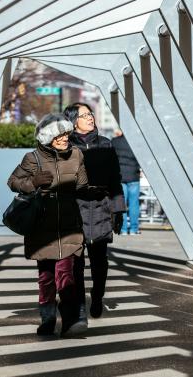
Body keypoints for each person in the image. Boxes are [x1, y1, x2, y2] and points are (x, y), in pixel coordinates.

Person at [7, 113, 88, 337]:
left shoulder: (77, 155)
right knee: (46, 277)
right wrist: (32, 183)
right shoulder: (32, 158)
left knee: (66, 274)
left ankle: (70, 320)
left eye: (66, 133)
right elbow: (12, 182)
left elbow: (82, 185)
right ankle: (48, 319)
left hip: (70, 225)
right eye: (59, 135)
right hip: (42, 227)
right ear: (47, 138)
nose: (65, 138)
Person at [63, 103, 125, 321]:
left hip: (101, 210)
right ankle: (80, 304)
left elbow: (115, 180)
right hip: (75, 211)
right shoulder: (66, 146)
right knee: (76, 264)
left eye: (90, 114)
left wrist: (118, 210)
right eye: (84, 115)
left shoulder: (106, 144)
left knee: (100, 262)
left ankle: (97, 296)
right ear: (73, 121)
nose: (90, 118)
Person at [111, 130, 141, 235]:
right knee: (134, 204)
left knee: (121, 204)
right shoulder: (136, 142)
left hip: (120, 176)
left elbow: (111, 158)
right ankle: (133, 229)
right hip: (134, 175)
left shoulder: (114, 141)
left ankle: (123, 229)